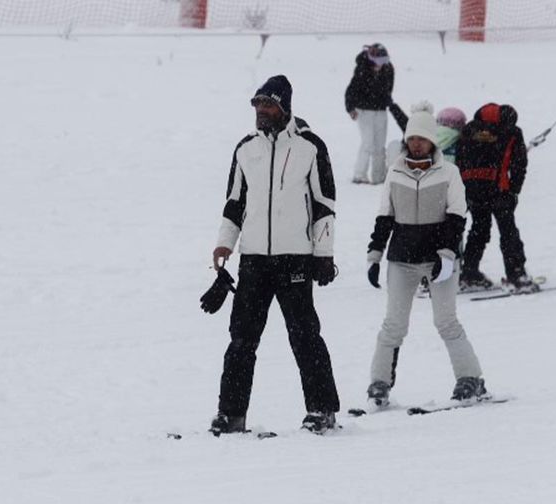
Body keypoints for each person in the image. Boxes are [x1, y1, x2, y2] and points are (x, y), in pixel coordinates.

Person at [208, 75, 341, 435]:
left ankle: (322, 409)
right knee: (241, 339)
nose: (260, 112)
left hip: (295, 258)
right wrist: (225, 244)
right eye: (256, 105)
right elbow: (234, 203)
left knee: (304, 336)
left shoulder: (310, 146)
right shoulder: (245, 148)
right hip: (253, 259)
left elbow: (324, 204)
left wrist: (323, 253)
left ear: (284, 107)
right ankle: (231, 414)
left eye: (267, 105)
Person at [365, 102, 487, 406]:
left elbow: (457, 215)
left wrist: (447, 253)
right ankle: (379, 384)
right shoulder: (395, 172)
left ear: (432, 140)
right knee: (393, 325)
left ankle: (470, 378)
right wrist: (374, 254)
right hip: (401, 259)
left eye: (422, 138)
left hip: (439, 260)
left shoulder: (449, 172)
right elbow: (385, 217)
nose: (416, 143)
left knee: (446, 321)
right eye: (412, 138)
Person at [456, 103, 537, 293]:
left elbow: (459, 159)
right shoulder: (513, 133)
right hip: (499, 189)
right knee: (508, 232)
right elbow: (519, 165)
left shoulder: (469, 130)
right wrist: (514, 191)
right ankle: (516, 275)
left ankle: (469, 273)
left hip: (472, 189)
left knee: (479, 229)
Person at [345, 43, 394, 185]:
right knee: (368, 143)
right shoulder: (362, 69)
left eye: (384, 61)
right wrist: (351, 108)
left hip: (381, 111)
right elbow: (351, 90)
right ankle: (359, 175)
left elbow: (388, 89)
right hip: (364, 111)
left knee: (379, 145)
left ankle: (379, 176)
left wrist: (385, 102)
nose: (381, 65)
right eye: (379, 61)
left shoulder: (388, 69)